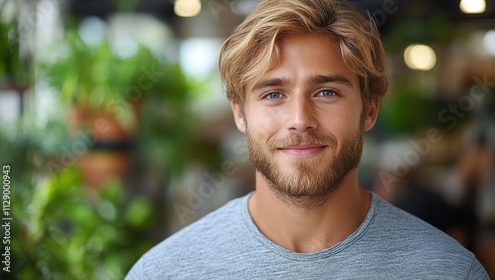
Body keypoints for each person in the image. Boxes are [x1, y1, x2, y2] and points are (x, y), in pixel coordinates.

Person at [126, 0, 489, 278]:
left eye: (327, 92)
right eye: (273, 94)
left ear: (369, 110)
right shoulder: (165, 271)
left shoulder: (448, 270)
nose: (300, 120)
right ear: (239, 112)